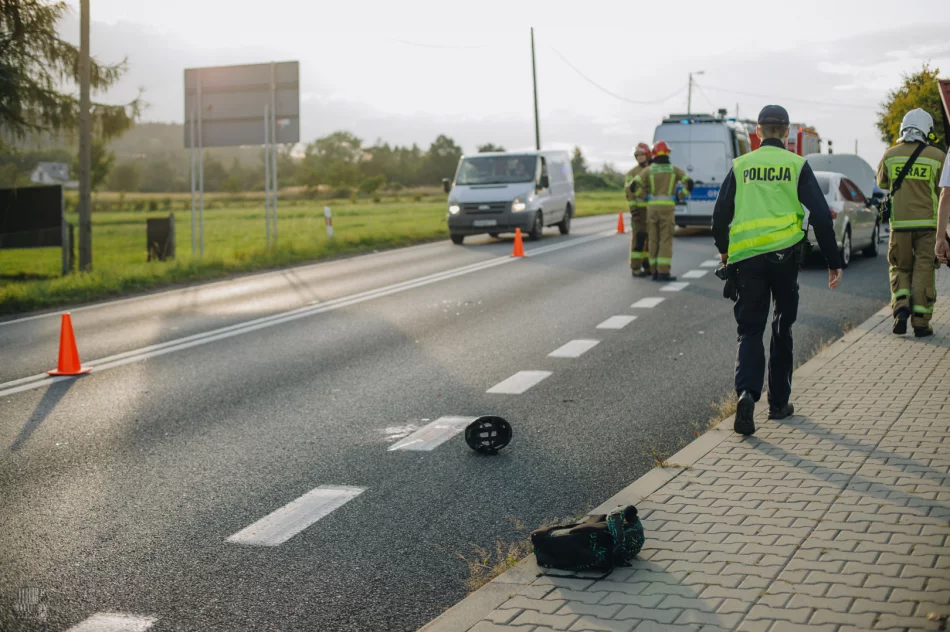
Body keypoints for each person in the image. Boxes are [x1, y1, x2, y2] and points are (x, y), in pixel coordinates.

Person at [712, 105, 843, 436]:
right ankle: (778, 404)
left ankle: (746, 394)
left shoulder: (741, 166)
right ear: (787, 133)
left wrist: (725, 251)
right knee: (782, 326)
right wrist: (833, 261)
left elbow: (720, 215)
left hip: (747, 260)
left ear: (757, 132)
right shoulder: (797, 165)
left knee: (750, 331)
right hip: (785, 259)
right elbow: (821, 216)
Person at [878, 108, 947, 336]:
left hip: (899, 225)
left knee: (900, 267)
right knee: (924, 269)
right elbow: (943, 190)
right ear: (927, 130)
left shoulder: (890, 155)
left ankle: (900, 308)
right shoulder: (937, 156)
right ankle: (921, 322)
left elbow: (882, 183)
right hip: (928, 225)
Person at [634, 141, 693, 281]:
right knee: (665, 239)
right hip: (667, 208)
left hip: (652, 209)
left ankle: (654, 271)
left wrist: (645, 196)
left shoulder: (648, 170)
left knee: (653, 239)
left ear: (654, 154)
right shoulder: (674, 170)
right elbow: (689, 183)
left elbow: (633, 186)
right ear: (667, 153)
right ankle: (663, 272)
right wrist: (678, 197)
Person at [624, 143, 653, 277]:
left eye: (642, 154)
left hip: (652, 211)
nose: (640, 157)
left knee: (650, 239)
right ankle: (635, 267)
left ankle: (647, 265)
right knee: (638, 239)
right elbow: (629, 193)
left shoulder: (653, 170)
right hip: (639, 213)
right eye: (637, 155)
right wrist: (634, 210)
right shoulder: (632, 173)